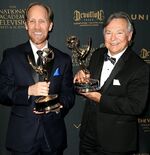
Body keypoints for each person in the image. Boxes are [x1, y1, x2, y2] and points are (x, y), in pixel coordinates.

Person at [0, 2, 75, 155]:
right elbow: (2, 92)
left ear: (50, 25)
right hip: (22, 138)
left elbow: (69, 95)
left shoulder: (63, 59)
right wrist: (28, 91)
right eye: (32, 21)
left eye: (42, 21)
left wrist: (59, 105)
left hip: (53, 138)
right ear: (26, 25)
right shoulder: (11, 55)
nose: (37, 26)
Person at [74, 12, 149, 155]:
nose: (113, 38)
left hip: (116, 143)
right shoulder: (97, 54)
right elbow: (88, 83)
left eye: (119, 33)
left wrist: (100, 99)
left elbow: (136, 106)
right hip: (87, 137)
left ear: (129, 36)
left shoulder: (140, 67)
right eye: (108, 32)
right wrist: (82, 77)